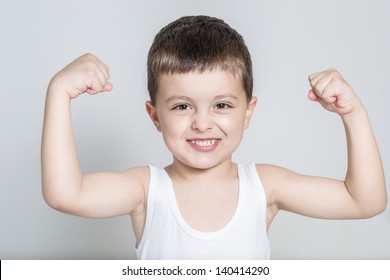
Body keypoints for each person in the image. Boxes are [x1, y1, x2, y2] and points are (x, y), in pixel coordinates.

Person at [41, 15, 387, 259]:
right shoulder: (146, 190)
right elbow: (65, 195)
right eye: (181, 107)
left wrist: (353, 114)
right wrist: (59, 92)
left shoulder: (265, 186)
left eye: (221, 104)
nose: (202, 123)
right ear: (155, 116)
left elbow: (364, 202)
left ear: (247, 112)